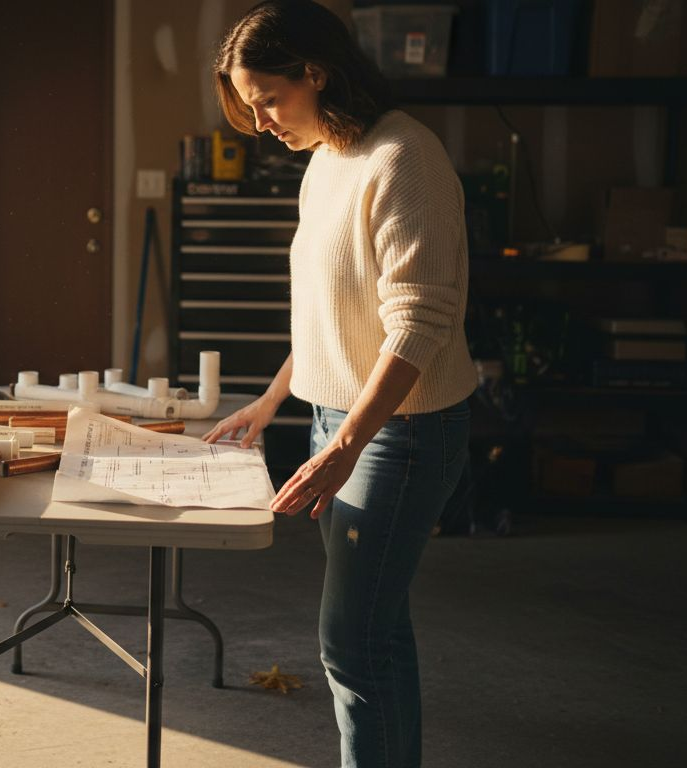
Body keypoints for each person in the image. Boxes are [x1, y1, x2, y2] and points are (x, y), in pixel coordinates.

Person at [201, 2, 477, 766]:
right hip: (341, 421)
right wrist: (271, 401)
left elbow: (418, 324)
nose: (260, 122)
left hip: (402, 431)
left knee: (350, 644)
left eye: (268, 100)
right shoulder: (326, 158)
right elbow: (334, 313)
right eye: (249, 105)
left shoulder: (403, 159)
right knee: (377, 630)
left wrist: (345, 446)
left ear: (315, 73)